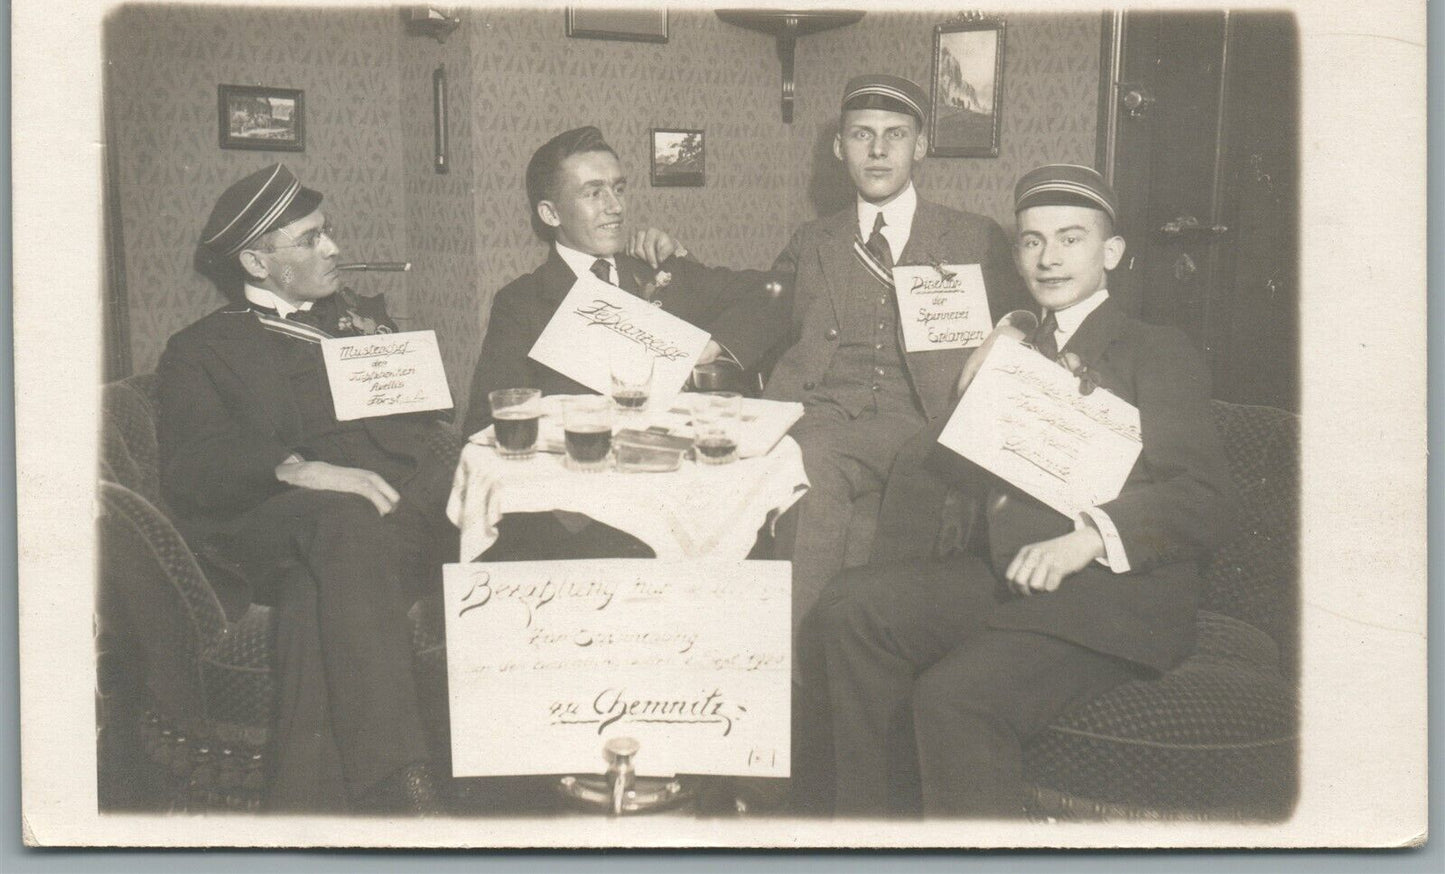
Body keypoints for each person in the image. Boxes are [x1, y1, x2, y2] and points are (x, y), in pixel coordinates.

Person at [793, 164, 1240, 817]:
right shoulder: (1011, 346)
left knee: (954, 698)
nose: (1048, 257)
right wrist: (994, 355)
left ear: (1111, 253)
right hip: (1010, 575)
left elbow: (1206, 497)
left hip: (1112, 598)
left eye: (1070, 238)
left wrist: (1087, 539)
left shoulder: (1156, 351)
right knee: (848, 607)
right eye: (1031, 241)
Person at [157, 164, 460, 814]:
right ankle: (398, 779)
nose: (334, 248)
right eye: (311, 238)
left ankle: (307, 809)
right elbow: (192, 464)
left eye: (330, 232)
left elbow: (424, 425)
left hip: (383, 522)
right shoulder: (202, 350)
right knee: (344, 519)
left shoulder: (360, 323)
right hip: (281, 519)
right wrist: (297, 467)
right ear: (256, 261)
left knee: (315, 594)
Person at [764, 74, 1026, 624]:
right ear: (840, 148)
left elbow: (1027, 313)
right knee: (814, 472)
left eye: (896, 135)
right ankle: (799, 684)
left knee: (864, 533)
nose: (879, 150)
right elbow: (754, 305)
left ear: (921, 145)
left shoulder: (972, 237)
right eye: (862, 135)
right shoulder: (814, 240)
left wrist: (1014, 326)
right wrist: (673, 263)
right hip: (826, 421)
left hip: (923, 426)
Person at [461, 124, 786, 437]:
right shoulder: (522, 303)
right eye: (593, 193)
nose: (615, 207)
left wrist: (712, 347)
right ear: (550, 213)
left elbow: (779, 292)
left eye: (618, 189)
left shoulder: (661, 271)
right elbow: (485, 427)